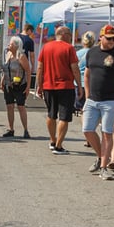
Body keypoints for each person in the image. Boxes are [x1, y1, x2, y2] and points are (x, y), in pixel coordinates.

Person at [82, 24, 114, 180]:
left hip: (111, 100)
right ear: (101, 38)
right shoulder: (92, 53)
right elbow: (87, 75)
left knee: (107, 133)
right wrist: (87, 96)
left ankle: (104, 167)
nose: (112, 41)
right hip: (93, 99)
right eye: (109, 38)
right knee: (87, 130)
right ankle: (100, 157)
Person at [35, 26, 82, 154]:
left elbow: (40, 68)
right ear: (63, 34)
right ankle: (58, 145)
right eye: (69, 34)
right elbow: (75, 69)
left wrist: (39, 85)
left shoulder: (46, 47)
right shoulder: (69, 48)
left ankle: (52, 140)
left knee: (51, 114)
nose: (70, 36)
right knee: (64, 117)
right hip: (65, 86)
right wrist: (79, 85)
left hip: (49, 86)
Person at [1, 35, 32, 139]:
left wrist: (28, 86)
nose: (9, 45)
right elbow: (5, 69)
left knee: (20, 106)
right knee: (9, 106)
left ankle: (26, 129)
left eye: (11, 43)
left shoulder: (21, 56)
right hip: (8, 84)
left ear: (16, 45)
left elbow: (28, 71)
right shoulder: (8, 54)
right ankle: (11, 129)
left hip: (19, 85)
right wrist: (2, 80)